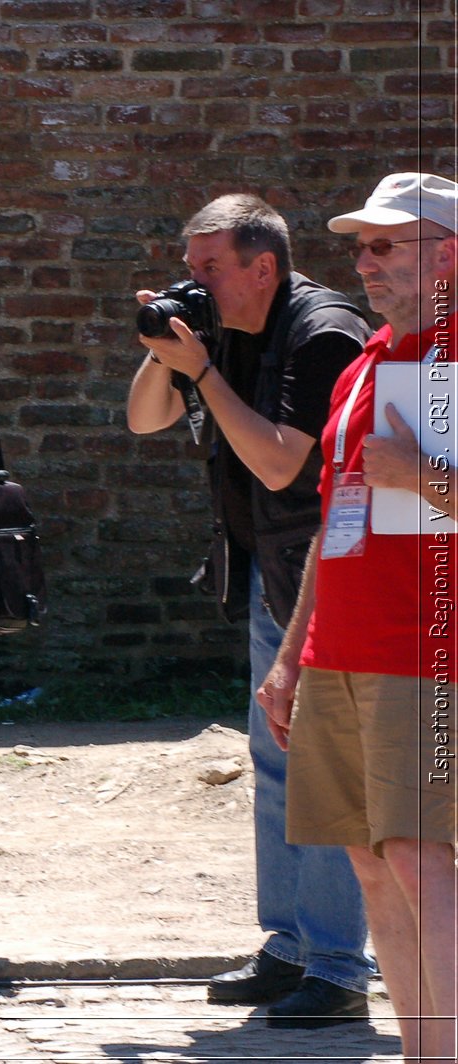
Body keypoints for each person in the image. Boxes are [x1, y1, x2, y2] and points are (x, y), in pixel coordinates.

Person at [125, 195, 375, 1024]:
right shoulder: (222, 329)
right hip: (271, 573)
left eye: (208, 269)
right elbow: (142, 418)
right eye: (189, 267)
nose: (192, 283)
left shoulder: (322, 331)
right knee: (275, 768)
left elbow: (278, 465)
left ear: (262, 268)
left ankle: (338, 967)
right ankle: (289, 945)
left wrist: (201, 370)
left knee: (325, 773)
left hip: (325, 582)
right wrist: (168, 350)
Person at [260, 172, 457, 1059]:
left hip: (426, 652)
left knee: (420, 859)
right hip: (342, 650)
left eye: (386, 244)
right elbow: (336, 518)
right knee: (372, 867)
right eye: (360, 246)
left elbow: (418, 495)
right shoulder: (367, 362)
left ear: (447, 255)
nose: (364, 262)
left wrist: (419, 478)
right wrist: (294, 652)